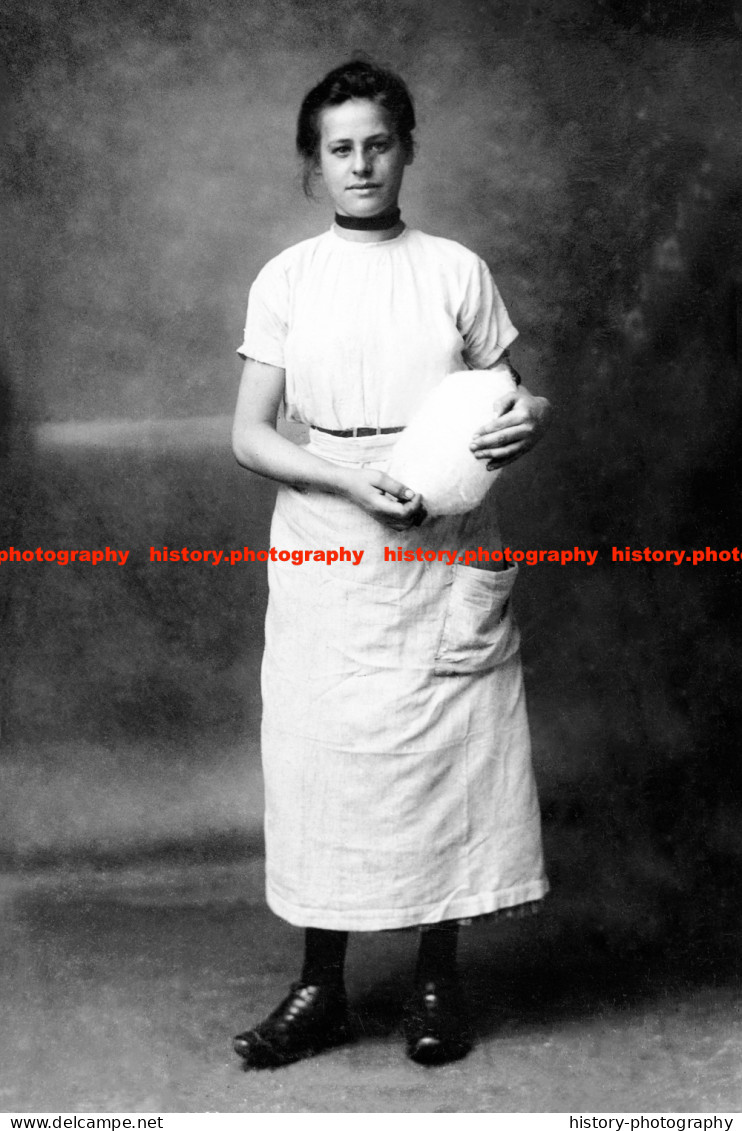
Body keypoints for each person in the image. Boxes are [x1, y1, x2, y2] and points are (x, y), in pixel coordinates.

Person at [231, 58, 551, 1069]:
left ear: (405, 149)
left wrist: (526, 426)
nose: (360, 164)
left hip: (440, 538)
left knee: (440, 762)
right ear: (312, 165)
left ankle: (433, 983)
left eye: (377, 143)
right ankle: (320, 987)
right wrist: (345, 480)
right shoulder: (287, 279)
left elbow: (516, 395)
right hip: (330, 543)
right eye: (339, 148)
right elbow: (249, 433)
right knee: (330, 765)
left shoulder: (455, 269)